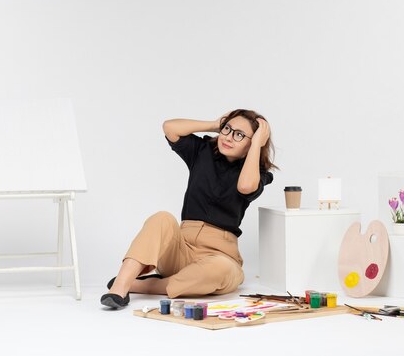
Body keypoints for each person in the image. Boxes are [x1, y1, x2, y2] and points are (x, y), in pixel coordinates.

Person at [100, 109, 276, 309]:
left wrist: (257, 144)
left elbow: (245, 186)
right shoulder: (203, 151)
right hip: (181, 248)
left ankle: (144, 285)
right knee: (162, 218)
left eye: (239, 135)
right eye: (227, 129)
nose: (228, 137)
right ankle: (120, 287)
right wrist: (213, 124)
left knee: (221, 270)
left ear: (252, 143)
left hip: (219, 256)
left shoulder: (258, 173)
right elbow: (170, 128)